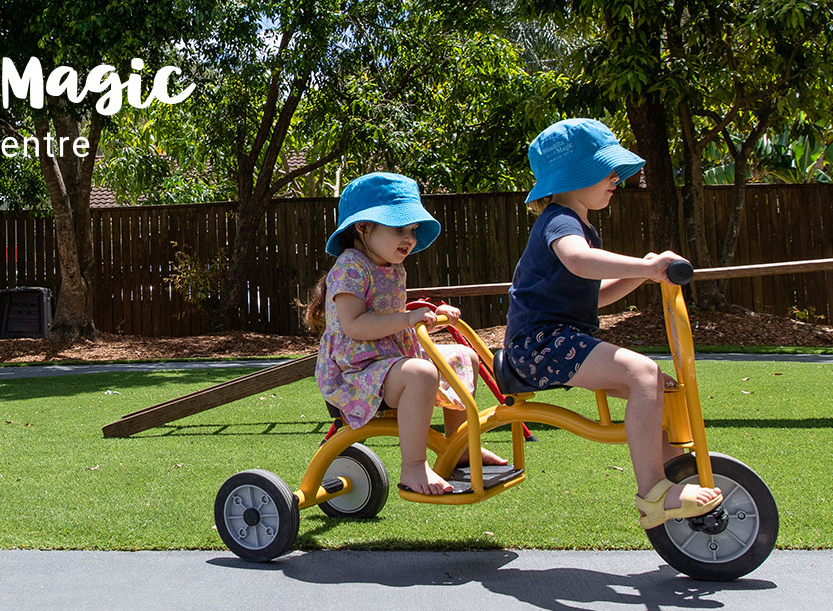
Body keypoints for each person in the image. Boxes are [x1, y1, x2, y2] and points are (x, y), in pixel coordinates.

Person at [503, 118, 722, 528]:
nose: (615, 179)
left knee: (656, 384)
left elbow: (593, 294)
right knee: (642, 371)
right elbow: (578, 261)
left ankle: (674, 468)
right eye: (606, 170)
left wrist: (645, 272)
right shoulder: (561, 221)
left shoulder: (578, 223)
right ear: (572, 176)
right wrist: (645, 265)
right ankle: (654, 491)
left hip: (557, 339)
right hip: (539, 345)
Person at [307, 172, 505, 497]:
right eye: (399, 227)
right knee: (422, 372)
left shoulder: (392, 266)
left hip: (391, 363)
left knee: (464, 357)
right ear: (363, 226)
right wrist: (409, 318)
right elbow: (355, 325)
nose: (409, 238)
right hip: (356, 373)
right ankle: (413, 466)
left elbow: (398, 321)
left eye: (413, 229)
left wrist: (431, 319)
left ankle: (458, 447)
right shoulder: (350, 267)